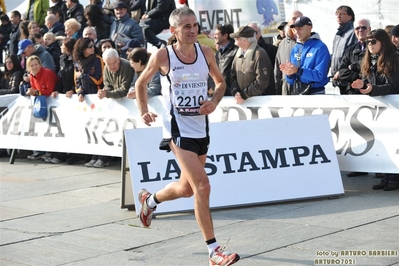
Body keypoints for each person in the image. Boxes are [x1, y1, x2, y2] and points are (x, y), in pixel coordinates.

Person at [135, 6, 240, 265]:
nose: (193, 30)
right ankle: (214, 252)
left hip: (200, 129)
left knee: (186, 189)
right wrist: (143, 111)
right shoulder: (163, 56)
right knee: (202, 186)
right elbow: (141, 83)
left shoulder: (206, 52)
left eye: (195, 26)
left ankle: (150, 200)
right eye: (187, 27)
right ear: (174, 31)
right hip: (177, 131)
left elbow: (220, 83)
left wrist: (214, 101)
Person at [351, 29, 399, 191]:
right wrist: (363, 86)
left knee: (394, 143)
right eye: (368, 42)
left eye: (373, 42)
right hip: (378, 111)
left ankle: (395, 177)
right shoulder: (369, 61)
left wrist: (371, 88)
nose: (369, 45)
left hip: (393, 109)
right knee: (383, 142)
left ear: (383, 43)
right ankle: (386, 176)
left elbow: (393, 87)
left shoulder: (394, 60)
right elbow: (368, 84)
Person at [280, 16, 330, 95]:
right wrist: (289, 74)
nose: (296, 32)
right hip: (298, 93)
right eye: (295, 29)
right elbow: (291, 81)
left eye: (299, 29)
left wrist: (298, 70)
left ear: (309, 28)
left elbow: (320, 75)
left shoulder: (320, 47)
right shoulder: (295, 48)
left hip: (315, 93)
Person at [230, 26, 273, 104]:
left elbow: (262, 82)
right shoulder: (238, 54)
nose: (234, 39)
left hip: (260, 103)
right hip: (243, 102)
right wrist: (235, 92)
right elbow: (232, 76)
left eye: (237, 37)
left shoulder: (259, 54)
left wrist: (243, 95)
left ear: (244, 40)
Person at [336, 18, 371, 95]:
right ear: (354, 31)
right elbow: (342, 71)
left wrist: (353, 67)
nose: (360, 30)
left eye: (363, 27)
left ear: (369, 29)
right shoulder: (349, 50)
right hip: (351, 94)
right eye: (357, 28)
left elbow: (372, 69)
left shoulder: (375, 48)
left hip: (371, 93)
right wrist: (357, 76)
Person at [274, 10, 303, 95]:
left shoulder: (310, 41)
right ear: (289, 22)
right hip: (286, 89)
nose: (297, 20)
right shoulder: (282, 44)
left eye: (299, 18)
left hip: (305, 89)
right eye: (294, 18)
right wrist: (277, 91)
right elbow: (277, 70)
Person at [331, 6, 357, 92]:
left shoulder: (353, 33)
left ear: (350, 17)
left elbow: (353, 57)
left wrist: (341, 72)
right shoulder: (338, 35)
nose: (338, 16)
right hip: (338, 80)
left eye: (342, 14)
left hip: (349, 81)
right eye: (337, 14)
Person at [247, 22, 276, 95]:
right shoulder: (240, 51)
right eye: (248, 32)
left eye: (254, 32)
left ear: (260, 34)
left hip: (267, 95)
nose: (251, 35)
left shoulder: (272, 50)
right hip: (247, 95)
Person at [72, 37, 104, 102]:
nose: (93, 48)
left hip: (97, 96)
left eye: (93, 45)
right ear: (82, 49)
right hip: (85, 98)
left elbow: (99, 80)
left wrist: (83, 76)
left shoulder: (98, 59)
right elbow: (77, 83)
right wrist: (80, 93)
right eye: (90, 46)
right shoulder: (77, 63)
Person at [214, 23, 238, 96]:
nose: (214, 36)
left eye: (217, 34)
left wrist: (233, 91)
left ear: (225, 36)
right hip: (221, 93)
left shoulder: (236, 51)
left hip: (233, 94)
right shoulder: (218, 52)